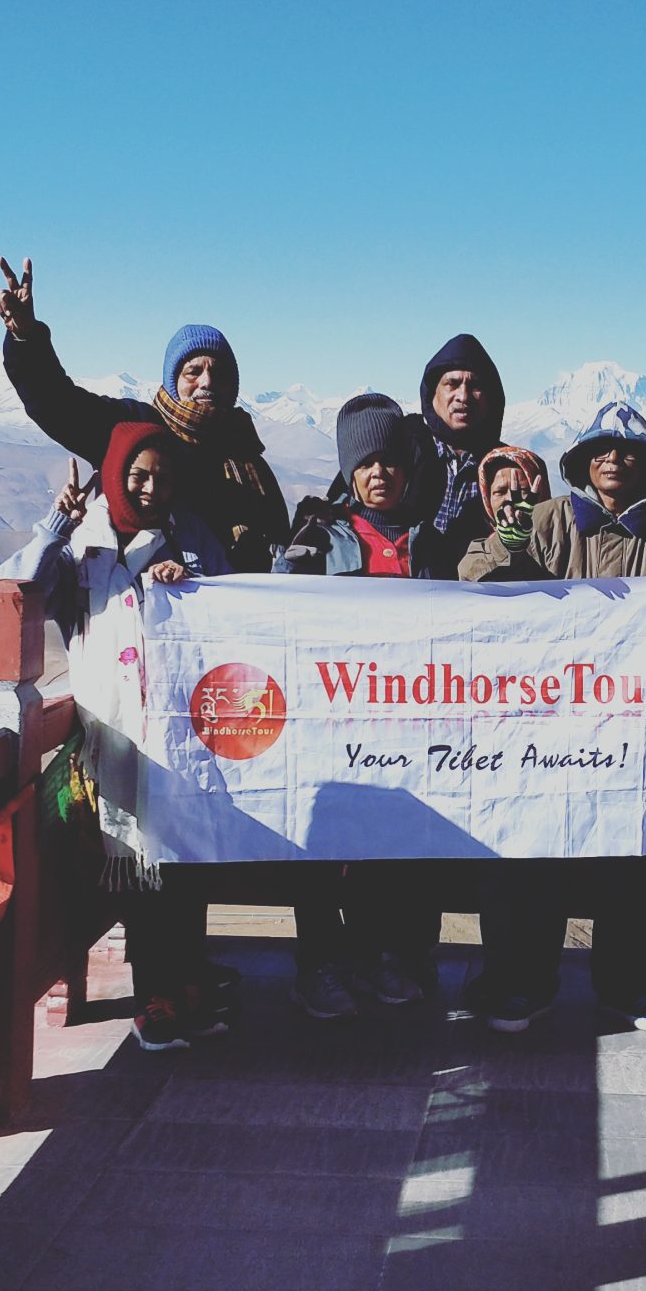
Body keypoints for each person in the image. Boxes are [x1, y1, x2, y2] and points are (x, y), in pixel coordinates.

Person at [464, 402, 646, 1032]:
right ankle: (519, 984)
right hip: (544, 729)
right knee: (533, 856)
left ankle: (632, 986)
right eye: (604, 448)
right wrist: (503, 557)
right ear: (584, 460)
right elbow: (474, 584)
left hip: (634, 736)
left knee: (633, 862)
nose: (616, 459)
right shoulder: (544, 521)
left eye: (630, 451)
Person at [0, 421, 236, 1050]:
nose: (151, 488)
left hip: (180, 735)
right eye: (138, 475)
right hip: (112, 738)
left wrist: (189, 581)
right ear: (114, 476)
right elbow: (12, 590)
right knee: (136, 870)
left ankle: (185, 986)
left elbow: (231, 598)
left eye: (162, 476)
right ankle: (153, 1000)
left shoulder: (185, 536)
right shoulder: (83, 546)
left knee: (182, 864)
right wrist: (54, 526)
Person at [275, 394, 459, 1015]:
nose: (378, 474)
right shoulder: (316, 541)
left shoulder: (430, 545)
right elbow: (275, 619)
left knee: (400, 847)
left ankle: (393, 958)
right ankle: (322, 964)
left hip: (409, 726)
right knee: (324, 849)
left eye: (389, 462)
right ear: (349, 470)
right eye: (365, 464)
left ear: (407, 470)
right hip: (330, 726)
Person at [0, 257, 290, 572]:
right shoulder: (135, 429)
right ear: (173, 378)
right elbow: (57, 404)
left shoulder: (245, 451)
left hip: (230, 609)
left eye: (219, 374)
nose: (207, 382)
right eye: (193, 371)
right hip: (143, 602)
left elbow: (276, 541)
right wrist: (26, 340)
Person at [413, 333, 509, 555]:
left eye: (475, 386)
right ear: (433, 393)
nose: (463, 396)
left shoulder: (507, 467)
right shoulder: (401, 451)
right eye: (452, 384)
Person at [456, 445, 552, 582]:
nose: (510, 499)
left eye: (523, 490)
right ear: (487, 499)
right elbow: (468, 574)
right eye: (500, 492)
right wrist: (506, 546)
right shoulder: (477, 545)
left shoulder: (563, 533)